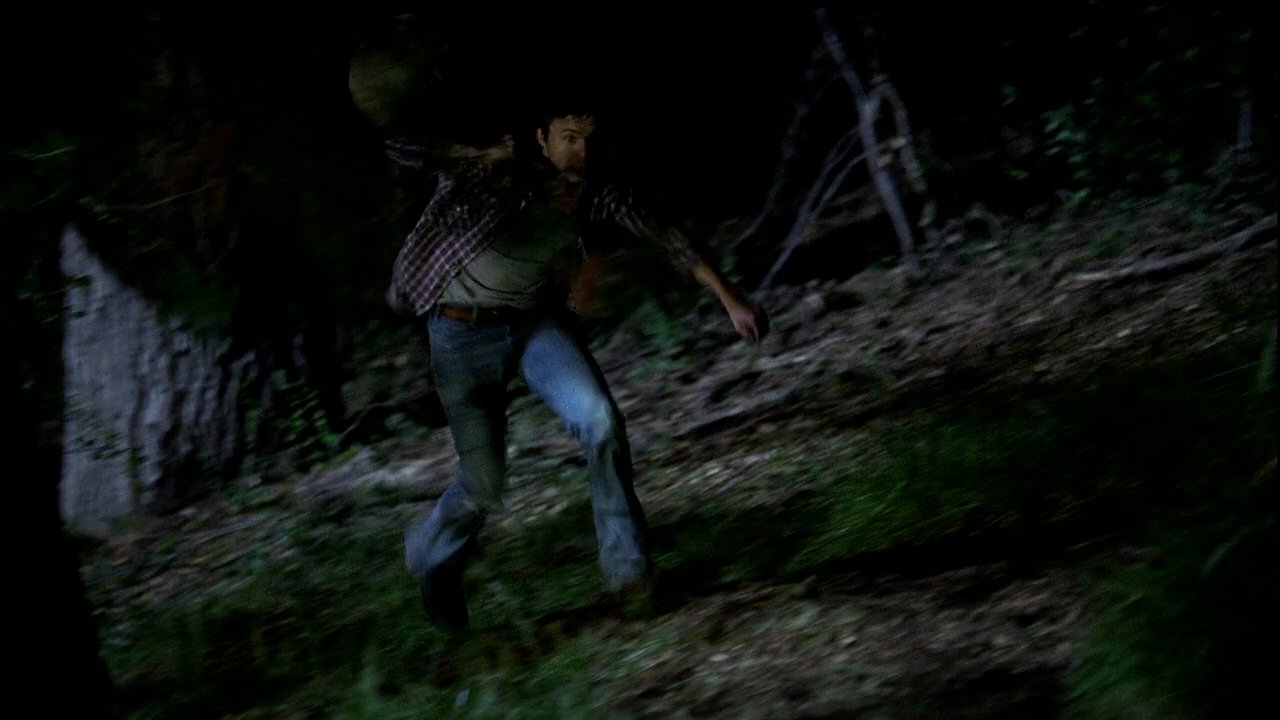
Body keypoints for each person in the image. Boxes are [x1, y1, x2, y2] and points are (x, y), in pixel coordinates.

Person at [388, 97, 766, 630]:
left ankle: (630, 575)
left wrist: (730, 299)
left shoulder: (595, 193)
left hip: (533, 327)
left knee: (600, 420)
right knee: (484, 482)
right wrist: (477, 153)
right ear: (541, 138)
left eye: (588, 140)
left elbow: (666, 235)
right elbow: (400, 146)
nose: (581, 152)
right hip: (459, 333)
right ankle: (433, 557)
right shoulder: (491, 173)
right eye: (569, 138)